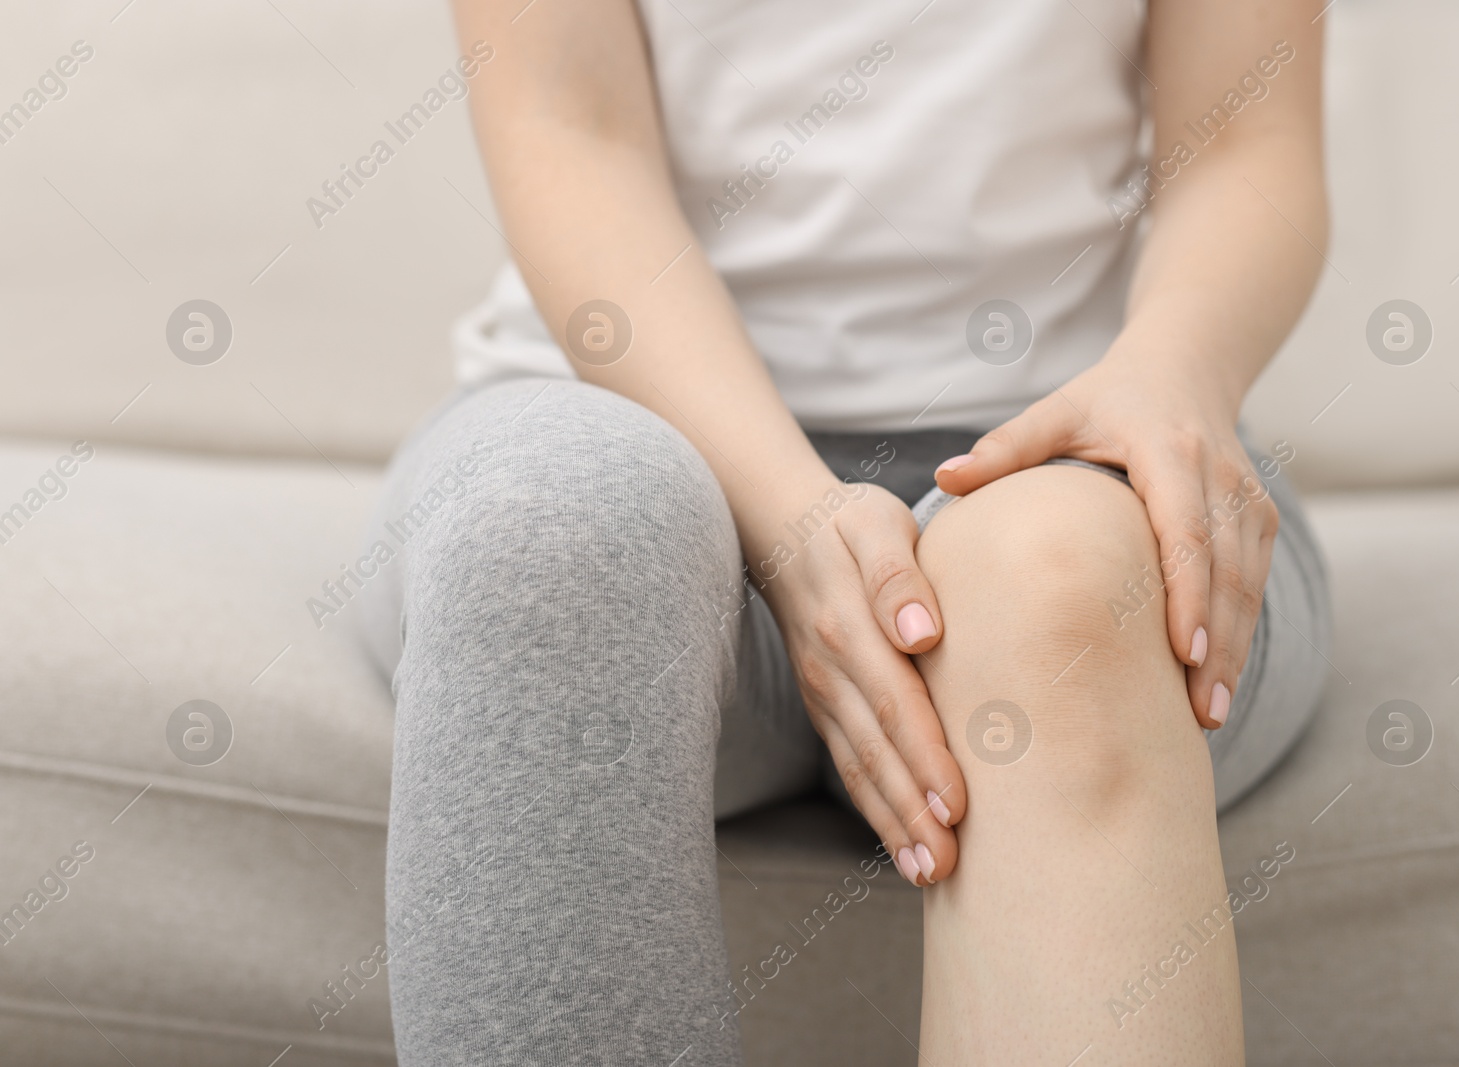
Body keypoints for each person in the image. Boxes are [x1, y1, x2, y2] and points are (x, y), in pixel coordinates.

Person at [359, 0, 1332, 1062]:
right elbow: (568, 127)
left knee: (1059, 586)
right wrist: (786, 511)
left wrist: (1171, 376)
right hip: (622, 413)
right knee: (552, 547)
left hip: (1055, 442)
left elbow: (1246, 139)